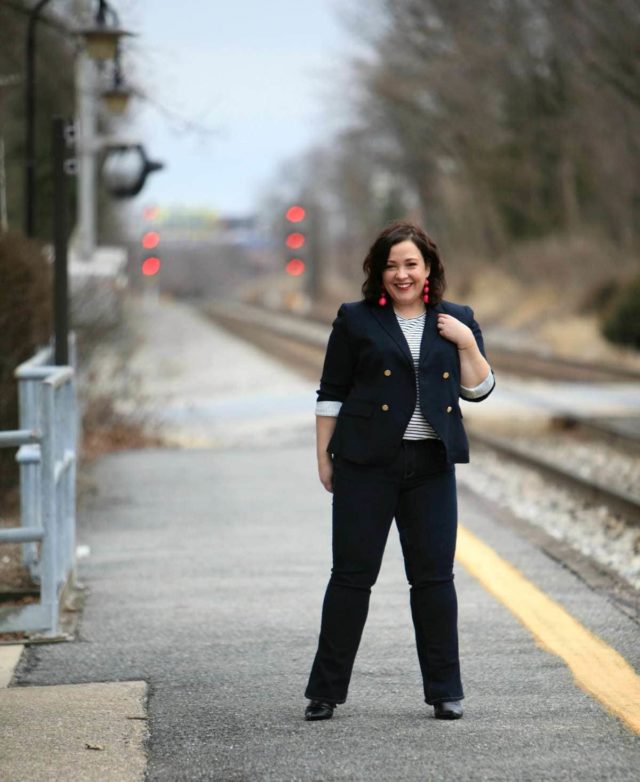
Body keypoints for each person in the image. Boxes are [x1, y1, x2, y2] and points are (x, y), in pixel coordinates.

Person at [303, 220, 496, 721]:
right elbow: (331, 394)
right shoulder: (355, 319)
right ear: (378, 272)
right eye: (391, 265)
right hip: (366, 465)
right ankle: (324, 692)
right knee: (350, 578)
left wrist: (466, 343)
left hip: (430, 467)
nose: (401, 274)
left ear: (428, 268)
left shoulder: (456, 319)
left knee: (434, 580)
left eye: (411, 264)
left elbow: (479, 389)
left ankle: (445, 691)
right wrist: (324, 457)